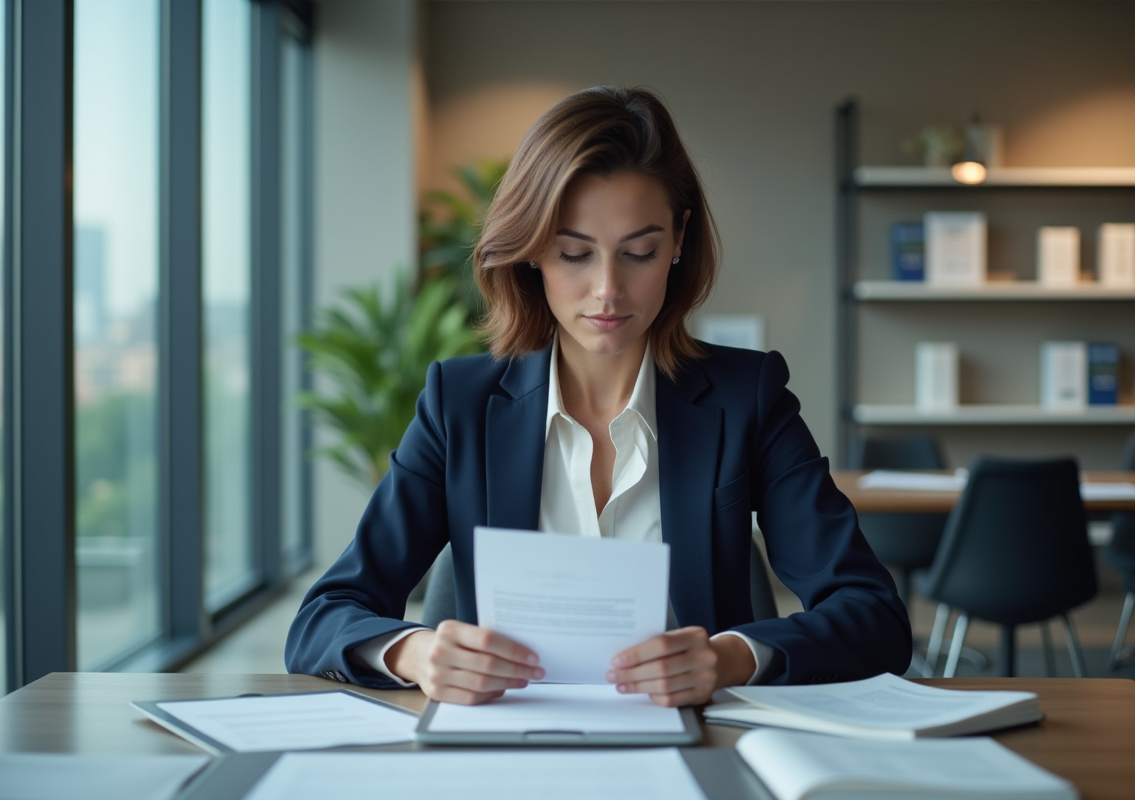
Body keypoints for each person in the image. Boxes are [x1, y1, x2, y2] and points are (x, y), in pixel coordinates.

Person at [286, 86, 911, 706]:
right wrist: (416, 653)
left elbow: (874, 615)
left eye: (639, 252)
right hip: (501, 741)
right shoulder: (460, 405)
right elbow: (324, 616)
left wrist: (729, 658)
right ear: (533, 250)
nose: (608, 289)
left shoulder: (748, 397)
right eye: (574, 254)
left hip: (696, 739)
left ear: (679, 239)